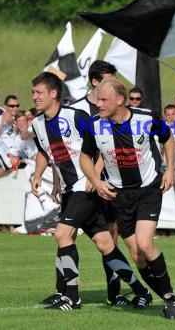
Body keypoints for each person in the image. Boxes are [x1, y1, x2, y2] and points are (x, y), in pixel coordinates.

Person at [30, 72, 149, 311]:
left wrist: (95, 176)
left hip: (86, 188)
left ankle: (71, 297)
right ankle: (140, 290)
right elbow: (46, 152)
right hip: (69, 189)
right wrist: (39, 175)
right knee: (105, 244)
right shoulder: (36, 124)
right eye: (33, 93)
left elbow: (104, 142)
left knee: (62, 234)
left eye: (38, 92)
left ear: (54, 94)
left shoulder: (75, 116)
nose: (34, 97)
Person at [79, 79, 175, 319]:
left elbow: (167, 138)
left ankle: (169, 298)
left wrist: (169, 170)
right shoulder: (94, 126)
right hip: (119, 196)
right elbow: (85, 157)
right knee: (137, 256)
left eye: (104, 100)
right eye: (97, 99)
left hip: (148, 189)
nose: (99, 104)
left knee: (146, 244)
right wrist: (96, 181)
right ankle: (168, 296)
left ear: (120, 100)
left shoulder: (146, 119)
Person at [68, 59, 131, 307]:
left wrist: (96, 174)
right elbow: (65, 147)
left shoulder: (113, 108)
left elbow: (111, 147)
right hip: (79, 184)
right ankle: (66, 292)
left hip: (107, 182)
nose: (114, 85)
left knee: (111, 237)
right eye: (108, 80)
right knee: (66, 234)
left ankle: (114, 292)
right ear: (95, 82)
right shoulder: (75, 111)